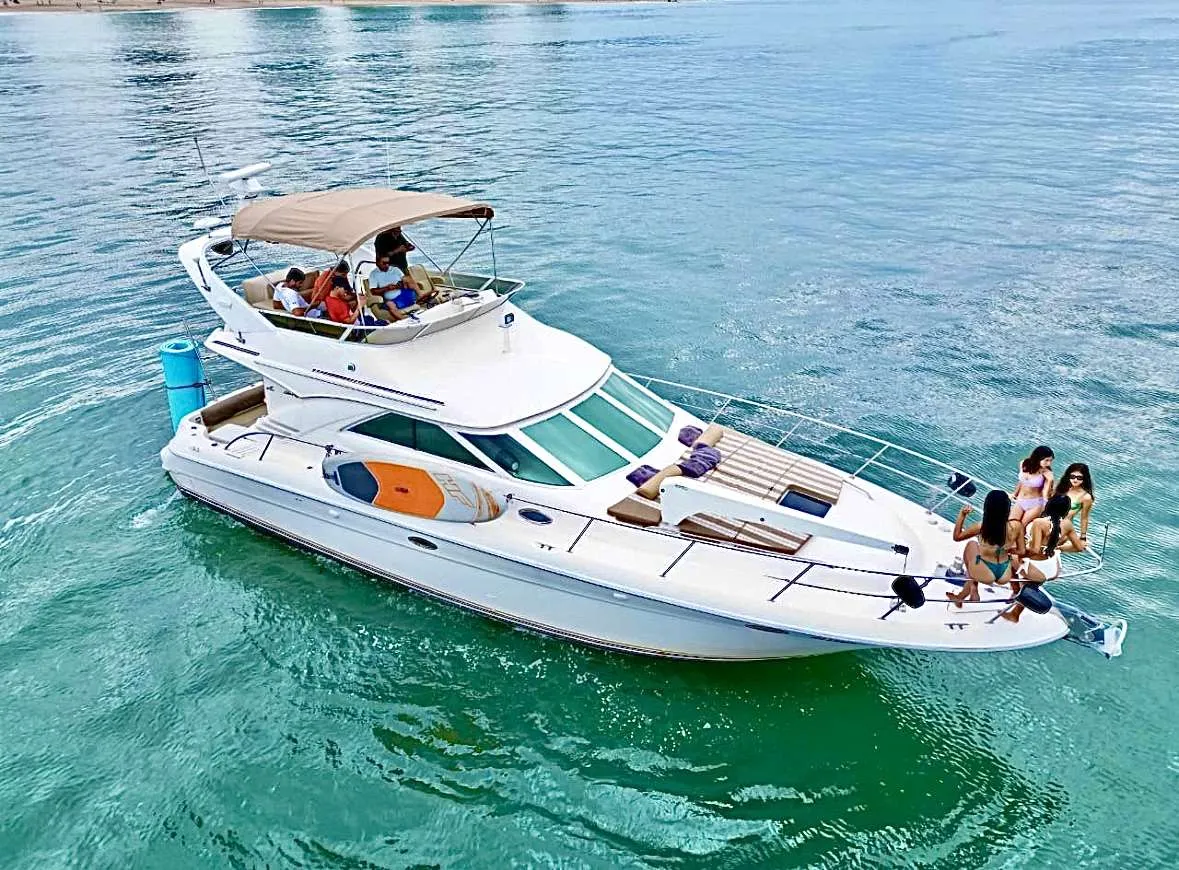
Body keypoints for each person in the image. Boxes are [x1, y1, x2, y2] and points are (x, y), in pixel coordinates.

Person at [1005, 494, 1086, 622]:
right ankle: (1015, 613)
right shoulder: (1067, 524)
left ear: (1049, 505)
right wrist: (1058, 548)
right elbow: (1079, 548)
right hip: (1052, 568)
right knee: (1031, 583)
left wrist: (1012, 552)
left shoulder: (1039, 523)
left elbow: (1034, 550)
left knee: (1007, 558)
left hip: (1037, 569)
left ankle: (1016, 591)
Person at [948, 490, 1021, 607]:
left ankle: (973, 588)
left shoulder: (982, 526)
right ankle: (961, 597)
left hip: (984, 573)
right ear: (1007, 508)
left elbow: (957, 537)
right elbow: (1021, 551)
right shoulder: (1017, 526)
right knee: (1002, 556)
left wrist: (962, 515)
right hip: (1004, 575)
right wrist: (1005, 550)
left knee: (972, 545)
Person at [369, 252, 436, 320]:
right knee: (390, 305)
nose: (387, 265)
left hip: (404, 293)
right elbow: (373, 291)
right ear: (377, 263)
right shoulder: (373, 274)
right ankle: (405, 320)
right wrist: (387, 288)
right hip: (392, 300)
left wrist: (399, 285)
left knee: (407, 278)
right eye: (384, 263)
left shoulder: (395, 269)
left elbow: (405, 281)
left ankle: (420, 295)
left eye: (388, 263)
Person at [1010, 445, 1054, 527]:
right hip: (1020, 500)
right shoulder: (1024, 463)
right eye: (1046, 460)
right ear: (1038, 458)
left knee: (1021, 526)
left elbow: (1046, 493)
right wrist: (1014, 494)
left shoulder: (1047, 473)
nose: (1049, 463)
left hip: (1035, 504)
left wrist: (1049, 481)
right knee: (1011, 524)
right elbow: (1021, 482)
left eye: (1050, 461)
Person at [1055, 462, 1095, 544]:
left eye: (1079, 478)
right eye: (1072, 477)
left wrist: (1083, 537)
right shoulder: (1062, 488)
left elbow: (1084, 518)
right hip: (1048, 521)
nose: (1075, 480)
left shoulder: (1086, 497)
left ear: (1084, 479)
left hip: (1063, 527)